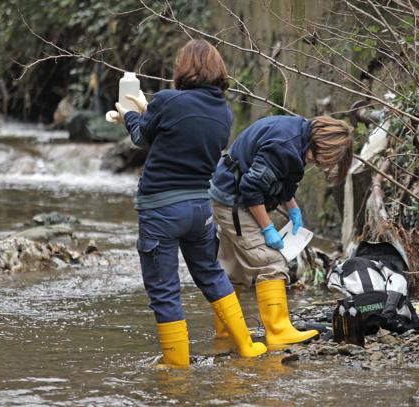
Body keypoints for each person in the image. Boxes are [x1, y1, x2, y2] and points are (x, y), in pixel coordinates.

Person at [110, 39, 266, 367]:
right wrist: (144, 110)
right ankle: (247, 344)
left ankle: (176, 367)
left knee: (165, 289)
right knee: (210, 272)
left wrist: (129, 114)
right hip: (200, 210)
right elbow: (176, 132)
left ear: (183, 69)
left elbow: (141, 137)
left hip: (161, 209)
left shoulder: (167, 101)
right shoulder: (224, 112)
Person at [208, 115, 353, 345]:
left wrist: (293, 209)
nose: (316, 163)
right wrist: (267, 229)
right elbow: (251, 187)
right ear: (320, 144)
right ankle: (278, 332)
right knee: (271, 262)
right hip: (234, 201)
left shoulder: (300, 134)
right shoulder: (284, 146)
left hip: (229, 194)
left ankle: (226, 332)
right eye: (319, 159)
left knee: (233, 269)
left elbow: (283, 178)